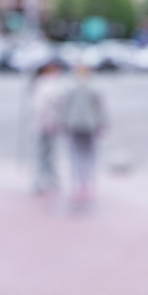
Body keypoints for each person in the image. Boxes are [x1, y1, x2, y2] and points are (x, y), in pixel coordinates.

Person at [61, 63, 106, 205]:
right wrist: (102, 124)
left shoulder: (71, 89)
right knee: (88, 154)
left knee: (76, 154)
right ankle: (86, 182)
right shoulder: (94, 88)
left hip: (75, 124)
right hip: (88, 125)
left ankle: (78, 182)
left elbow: (65, 108)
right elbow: (99, 109)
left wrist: (63, 122)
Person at [29, 59, 67, 195]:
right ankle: (43, 180)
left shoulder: (42, 84)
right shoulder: (48, 85)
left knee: (47, 153)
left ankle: (49, 179)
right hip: (47, 124)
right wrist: (48, 121)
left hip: (46, 123)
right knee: (45, 153)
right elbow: (41, 107)